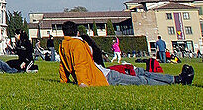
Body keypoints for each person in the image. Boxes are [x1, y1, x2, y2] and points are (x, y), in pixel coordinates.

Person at [60, 21, 192, 86]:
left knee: (141, 76)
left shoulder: (63, 45)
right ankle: (177, 80)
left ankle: (176, 79)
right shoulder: (77, 44)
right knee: (142, 80)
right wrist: (82, 82)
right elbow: (80, 64)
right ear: (76, 32)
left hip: (103, 73)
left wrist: (64, 80)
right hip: (103, 77)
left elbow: (63, 65)